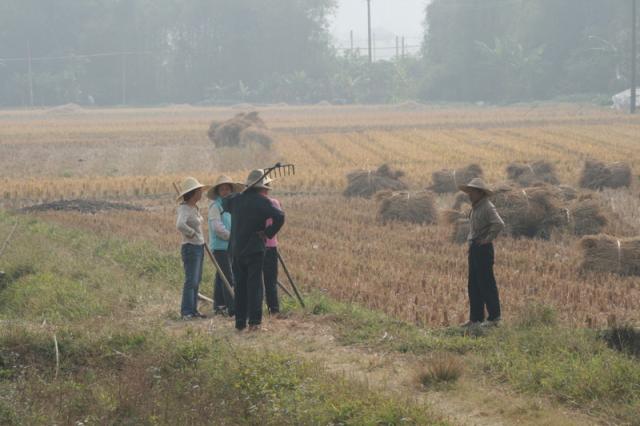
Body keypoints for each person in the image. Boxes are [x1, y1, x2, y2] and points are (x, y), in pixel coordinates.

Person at [223, 169, 285, 332]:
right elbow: (280, 216)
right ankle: (255, 323)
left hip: (236, 249)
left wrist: (241, 193)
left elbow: (224, 202)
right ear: (261, 188)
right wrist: (268, 233)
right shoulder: (262, 202)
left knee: (240, 286)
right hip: (254, 248)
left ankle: (240, 323)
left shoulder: (236, 200)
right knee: (255, 286)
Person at [458, 178, 505, 328]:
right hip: (475, 248)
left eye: (472, 192)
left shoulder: (487, 206)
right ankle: (476, 319)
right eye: (469, 192)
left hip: (483, 249)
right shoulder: (476, 207)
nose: (469, 195)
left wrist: (487, 239)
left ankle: (494, 318)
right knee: (474, 284)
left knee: (486, 283)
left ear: (479, 193)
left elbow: (499, 223)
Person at [207, 175, 244, 316]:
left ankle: (219, 305)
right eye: (222, 189)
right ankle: (232, 308)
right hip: (220, 247)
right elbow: (217, 227)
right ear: (218, 192)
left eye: (227, 189)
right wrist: (232, 236)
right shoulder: (215, 206)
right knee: (228, 276)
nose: (225, 192)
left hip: (230, 245)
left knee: (220, 276)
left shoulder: (233, 205)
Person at [175, 177, 211, 320]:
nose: (201, 193)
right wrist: (192, 233)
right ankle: (186, 312)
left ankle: (193, 310)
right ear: (193, 193)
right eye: (199, 191)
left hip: (198, 247)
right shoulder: (184, 208)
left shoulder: (193, 208)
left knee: (196, 280)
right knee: (191, 280)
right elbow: (180, 225)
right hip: (191, 248)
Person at [260, 184, 282, 315]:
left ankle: (259, 307)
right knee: (271, 280)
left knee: (256, 279)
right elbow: (279, 221)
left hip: (256, 245)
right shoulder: (274, 203)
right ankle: (273, 309)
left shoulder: (252, 203)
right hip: (270, 245)